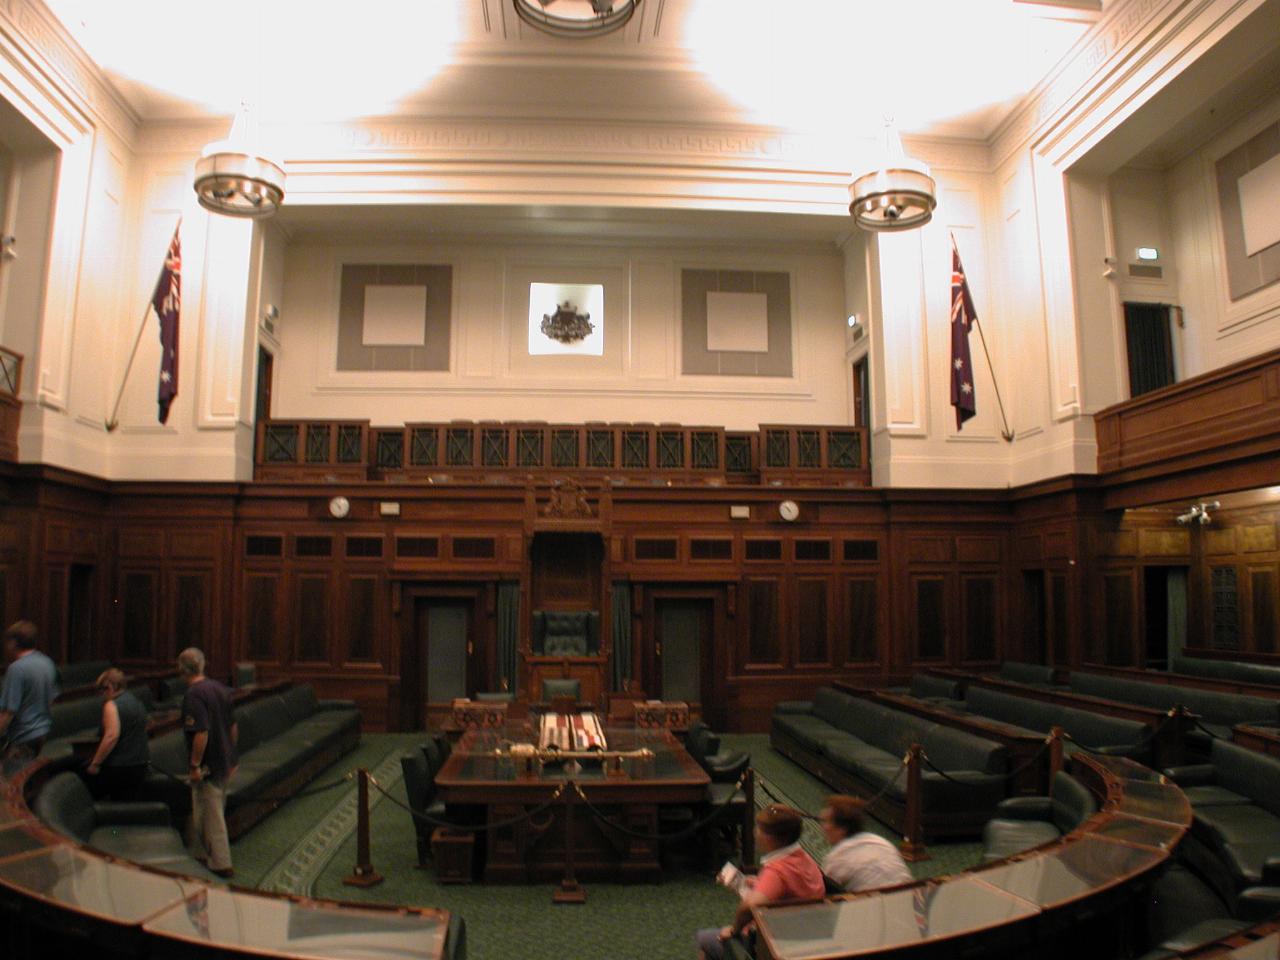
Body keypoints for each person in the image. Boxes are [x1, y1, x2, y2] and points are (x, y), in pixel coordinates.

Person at [696, 805, 824, 960]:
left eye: (758, 829)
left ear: (769, 837)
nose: (755, 832)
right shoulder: (804, 857)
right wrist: (760, 883)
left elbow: (750, 906)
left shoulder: (776, 871)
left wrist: (733, 930)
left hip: (778, 942)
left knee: (705, 939)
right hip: (807, 931)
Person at [178, 647, 238, 879]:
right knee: (206, 811)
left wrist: (194, 766)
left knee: (212, 814)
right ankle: (201, 855)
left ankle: (222, 863)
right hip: (224, 760)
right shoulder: (220, 688)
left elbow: (201, 732)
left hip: (208, 765)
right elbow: (233, 726)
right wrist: (232, 755)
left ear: (181, 669)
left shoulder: (193, 695)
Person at [818, 794, 912, 892]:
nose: (822, 827)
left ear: (842, 829)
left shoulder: (836, 860)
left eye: (826, 821)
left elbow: (824, 894)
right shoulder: (881, 842)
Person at [86, 668, 150, 801]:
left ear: (110, 687)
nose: (102, 694)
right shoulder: (136, 701)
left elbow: (111, 736)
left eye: (102, 689)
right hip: (140, 763)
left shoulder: (111, 705)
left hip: (120, 767)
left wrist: (95, 763)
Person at [0, 621, 58, 767]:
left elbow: (8, 712)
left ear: (13, 643)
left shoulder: (17, 669)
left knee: (12, 783)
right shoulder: (47, 663)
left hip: (23, 736)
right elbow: (51, 701)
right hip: (42, 733)